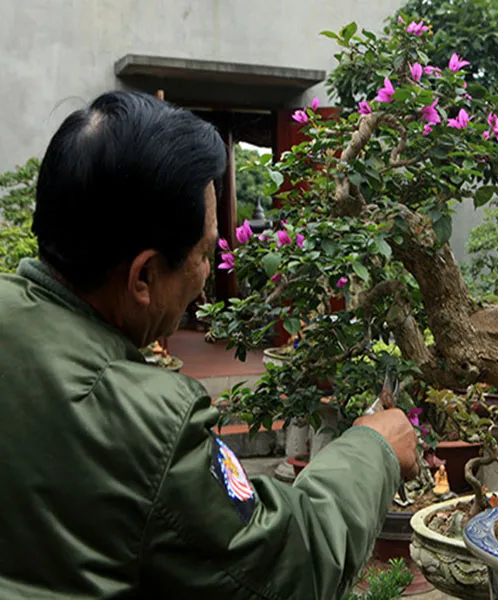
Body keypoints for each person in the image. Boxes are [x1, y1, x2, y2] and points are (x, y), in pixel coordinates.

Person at [0, 91, 419, 599]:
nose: (207, 276)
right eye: (204, 253)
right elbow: (288, 564)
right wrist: (375, 449)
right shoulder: (147, 423)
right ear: (143, 276)